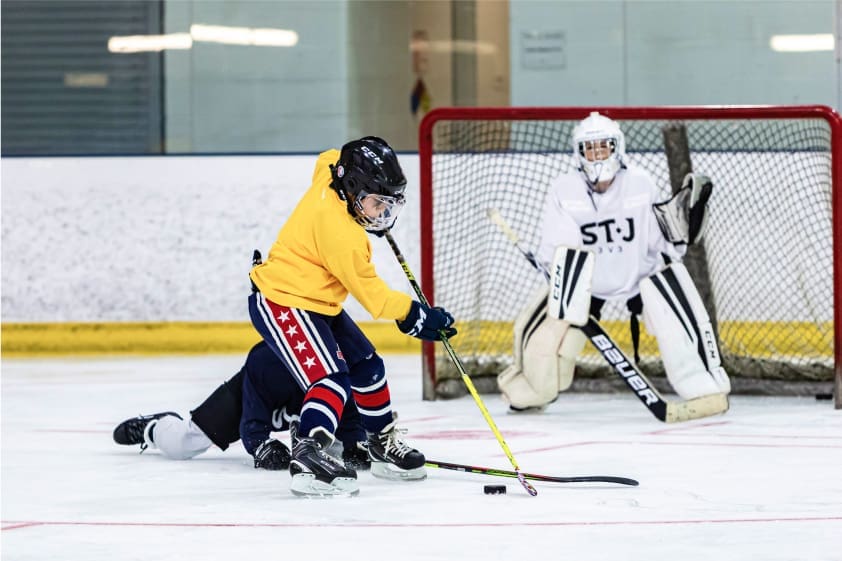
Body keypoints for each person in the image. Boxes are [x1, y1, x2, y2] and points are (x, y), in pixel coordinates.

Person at [248, 136, 457, 497]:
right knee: (331, 380)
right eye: (378, 203)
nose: (382, 214)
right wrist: (417, 316)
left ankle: (379, 443)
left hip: (318, 302)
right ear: (353, 188)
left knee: (368, 367)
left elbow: (327, 156)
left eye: (388, 205)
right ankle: (309, 454)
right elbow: (374, 298)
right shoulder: (342, 235)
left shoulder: (331, 174)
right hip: (283, 300)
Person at [498, 112, 731, 412]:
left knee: (677, 317)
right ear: (579, 152)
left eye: (603, 147)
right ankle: (533, 390)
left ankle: (705, 386)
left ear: (616, 148)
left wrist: (679, 232)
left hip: (639, 278)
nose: (597, 155)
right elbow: (559, 249)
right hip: (588, 286)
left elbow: (658, 240)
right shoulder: (563, 190)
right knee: (545, 342)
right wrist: (555, 273)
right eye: (590, 148)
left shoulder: (640, 183)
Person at [112, 341, 371, 472]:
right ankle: (156, 426)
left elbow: (349, 406)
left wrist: (355, 442)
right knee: (184, 443)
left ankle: (301, 430)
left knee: (333, 451)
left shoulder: (337, 356)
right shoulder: (268, 360)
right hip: (255, 399)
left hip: (298, 405)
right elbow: (252, 415)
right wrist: (259, 444)